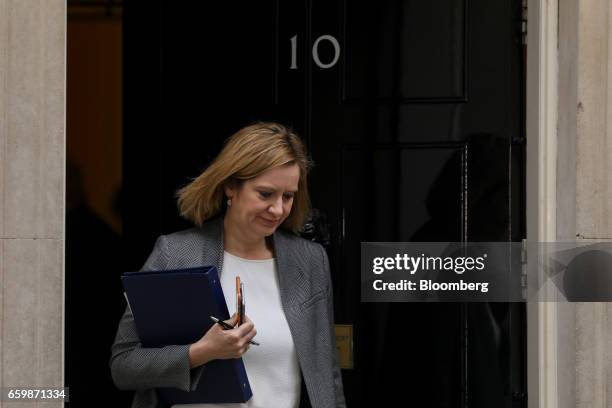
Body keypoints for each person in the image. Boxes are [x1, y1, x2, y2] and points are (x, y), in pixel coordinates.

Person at [110, 122, 346, 408]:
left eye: (288, 196)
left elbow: (328, 376)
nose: (278, 209)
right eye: (265, 194)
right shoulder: (175, 253)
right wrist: (202, 351)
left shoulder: (310, 261)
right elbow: (124, 365)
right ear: (230, 187)